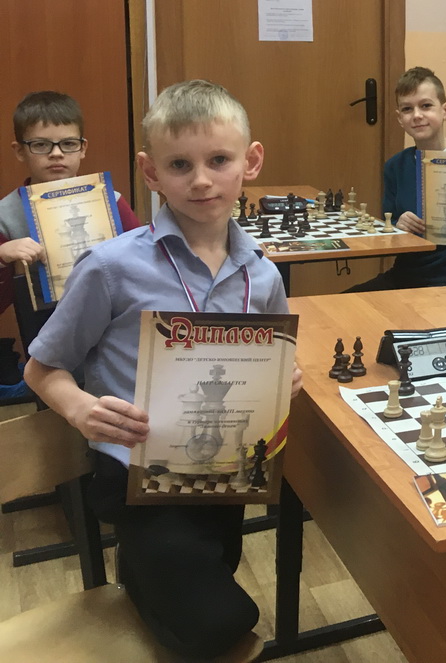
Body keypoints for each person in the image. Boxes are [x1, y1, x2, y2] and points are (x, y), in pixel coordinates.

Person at [24, 79, 303, 660]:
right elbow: (42, 368)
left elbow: (275, 358)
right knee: (228, 621)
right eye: (180, 165)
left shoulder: (263, 273)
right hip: (135, 476)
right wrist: (80, 409)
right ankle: (148, 578)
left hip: (224, 474)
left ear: (250, 163)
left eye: (219, 160)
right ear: (151, 172)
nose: (201, 180)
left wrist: (284, 378)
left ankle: (145, 580)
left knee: (210, 579)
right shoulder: (110, 267)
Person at [0, 90, 141, 341]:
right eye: (40, 145)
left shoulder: (112, 203)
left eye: (68, 144)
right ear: (20, 151)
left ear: (82, 148)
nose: (56, 153)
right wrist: (2, 259)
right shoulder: (5, 217)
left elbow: (146, 270)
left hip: (114, 330)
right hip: (43, 335)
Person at [348, 66, 446, 294]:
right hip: (402, 278)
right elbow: (388, 226)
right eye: (407, 109)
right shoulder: (395, 166)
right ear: (400, 118)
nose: (417, 115)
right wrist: (398, 226)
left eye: (426, 105)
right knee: (335, 306)